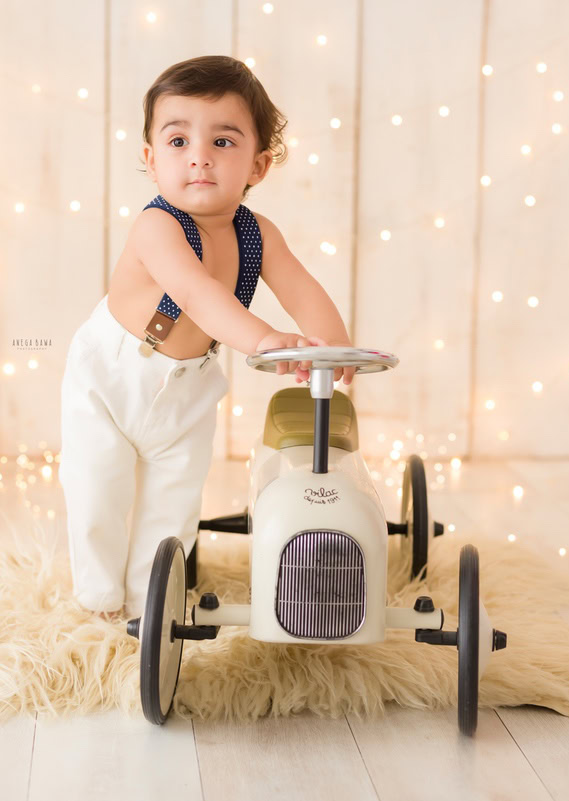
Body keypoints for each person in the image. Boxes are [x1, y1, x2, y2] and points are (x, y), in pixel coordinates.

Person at [60, 55, 356, 622]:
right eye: (177, 141)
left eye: (223, 142)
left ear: (258, 165)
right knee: (98, 486)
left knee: (174, 500)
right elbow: (196, 294)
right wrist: (265, 339)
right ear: (150, 159)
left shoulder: (258, 233)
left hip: (189, 385)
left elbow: (302, 287)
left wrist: (332, 347)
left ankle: (153, 602)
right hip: (113, 372)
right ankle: (97, 598)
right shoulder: (158, 226)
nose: (199, 155)